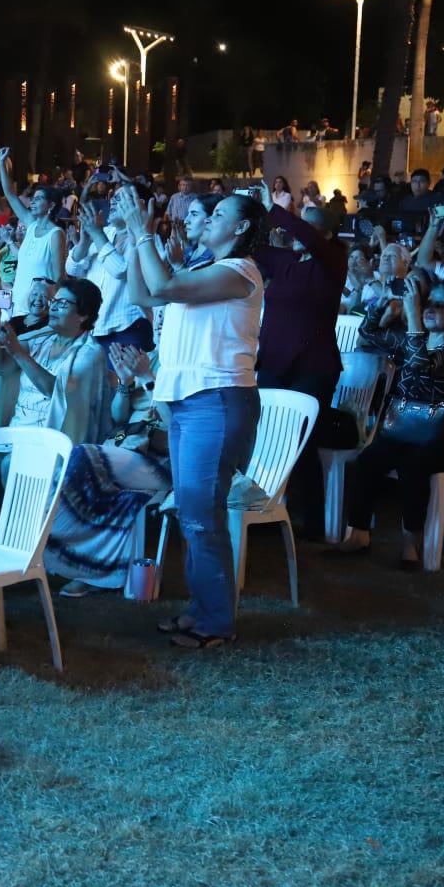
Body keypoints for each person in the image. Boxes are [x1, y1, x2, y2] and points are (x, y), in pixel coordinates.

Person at [122, 190, 267, 648]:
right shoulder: (205, 267)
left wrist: (145, 233)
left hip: (218, 400)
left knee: (202, 513)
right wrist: (133, 237)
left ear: (240, 228)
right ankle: (202, 608)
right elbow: (143, 292)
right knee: (190, 509)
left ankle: (217, 622)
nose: (208, 218)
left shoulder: (239, 272)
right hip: (189, 401)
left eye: (220, 214)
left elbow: (163, 288)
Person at [330, 277, 444, 567]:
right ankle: (358, 534)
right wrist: (384, 300)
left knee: (413, 465)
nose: (429, 308)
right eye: (428, 303)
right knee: (369, 459)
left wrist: (413, 317)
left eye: (441, 304)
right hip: (405, 428)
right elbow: (368, 331)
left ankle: (411, 542)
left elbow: (419, 363)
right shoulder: (413, 337)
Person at [251, 183, 348, 534]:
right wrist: (262, 212)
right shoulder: (288, 262)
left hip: (313, 365)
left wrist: (283, 209)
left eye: (308, 225)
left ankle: (311, 522)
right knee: (268, 440)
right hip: (275, 362)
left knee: (301, 442)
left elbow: (308, 235)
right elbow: (254, 247)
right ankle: (263, 510)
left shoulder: (334, 261)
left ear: (325, 233)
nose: (295, 232)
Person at [44, 343, 172, 595]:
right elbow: (118, 417)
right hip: (129, 446)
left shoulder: (184, 365)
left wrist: (147, 376)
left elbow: (173, 423)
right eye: (157, 315)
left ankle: (37, 532)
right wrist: (125, 382)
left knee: (83, 455)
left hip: (162, 459)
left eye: (165, 315)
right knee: (77, 467)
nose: (159, 321)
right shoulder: (147, 357)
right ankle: (87, 567)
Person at [0, 277, 107, 443]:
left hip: (49, 443)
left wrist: (19, 353)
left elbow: (58, 392)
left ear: (83, 314)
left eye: (62, 303)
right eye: (54, 301)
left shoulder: (90, 353)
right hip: (15, 434)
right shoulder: (40, 339)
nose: (54, 307)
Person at [68, 187, 150, 353]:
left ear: (138, 205)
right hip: (94, 327)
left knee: (126, 379)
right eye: (112, 197)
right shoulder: (105, 232)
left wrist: (97, 234)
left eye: (121, 198)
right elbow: (72, 269)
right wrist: (83, 242)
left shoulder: (146, 239)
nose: (113, 201)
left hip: (127, 327)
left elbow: (120, 270)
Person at [0, 147, 66, 315]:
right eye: (32, 199)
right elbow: (10, 194)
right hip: (16, 302)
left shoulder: (55, 234)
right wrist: (1, 163)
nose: (32, 202)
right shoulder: (31, 224)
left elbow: (58, 278)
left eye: (39, 199)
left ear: (51, 205)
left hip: (37, 308)